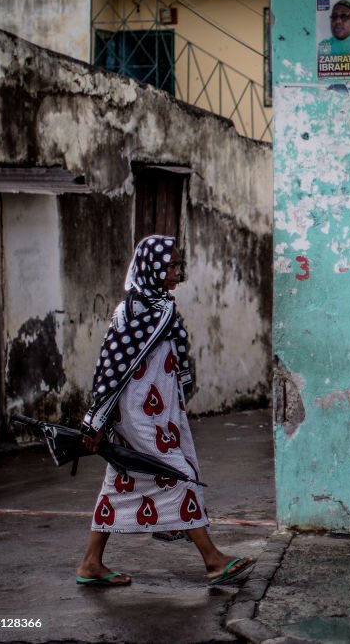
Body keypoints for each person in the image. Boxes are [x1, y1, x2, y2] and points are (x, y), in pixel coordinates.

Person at [75, 235, 254, 587]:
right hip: (138, 413)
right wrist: (97, 418)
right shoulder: (137, 310)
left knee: (121, 480)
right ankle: (213, 560)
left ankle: (91, 563)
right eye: (170, 265)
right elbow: (112, 367)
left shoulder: (160, 306)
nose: (176, 272)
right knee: (174, 471)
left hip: (159, 414)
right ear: (152, 266)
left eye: (177, 265)